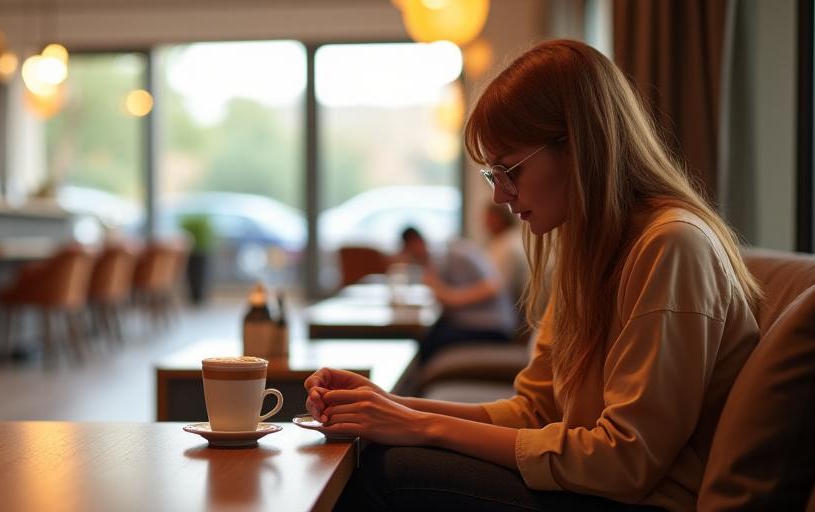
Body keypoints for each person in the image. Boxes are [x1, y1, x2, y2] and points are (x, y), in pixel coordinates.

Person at [305, 39, 761, 511]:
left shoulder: (671, 246)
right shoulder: (586, 250)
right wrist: (393, 406)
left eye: (509, 170)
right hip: (600, 488)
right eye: (493, 175)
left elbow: (625, 461)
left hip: (642, 499)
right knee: (381, 451)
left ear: (580, 146)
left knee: (388, 471)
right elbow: (534, 411)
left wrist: (420, 426)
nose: (501, 196)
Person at [396, 226, 516, 365]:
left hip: (492, 326)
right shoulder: (436, 260)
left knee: (428, 343)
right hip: (474, 323)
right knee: (427, 336)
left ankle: (419, 384)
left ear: (416, 242)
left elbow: (494, 286)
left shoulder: (454, 254)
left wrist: (448, 295)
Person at [483, 203, 528, 305]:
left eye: (489, 217)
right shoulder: (501, 241)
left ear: (500, 219)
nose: (484, 222)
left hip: (507, 308)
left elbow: (499, 287)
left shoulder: (509, 245)